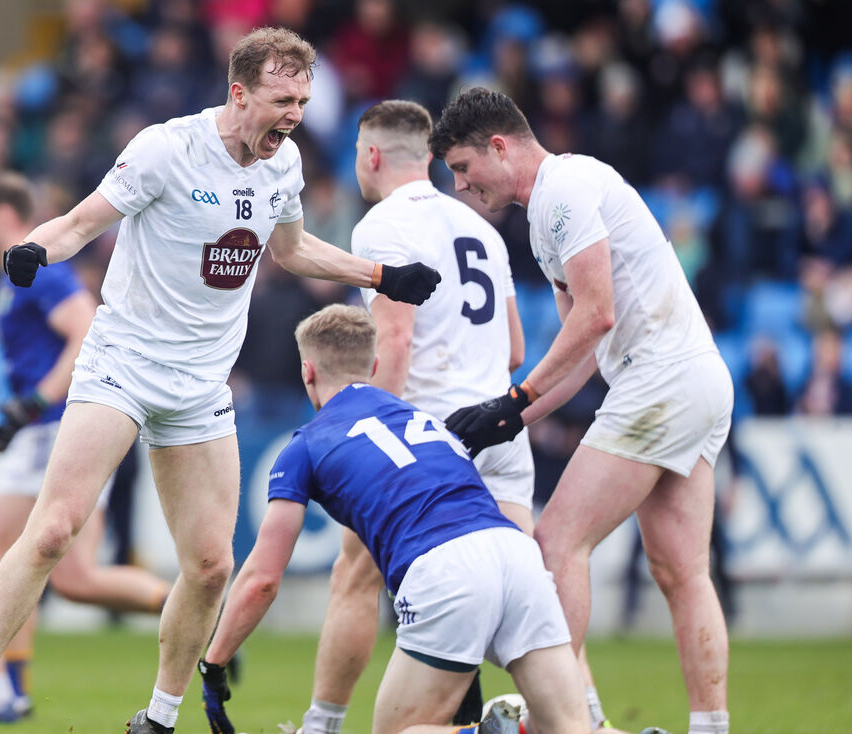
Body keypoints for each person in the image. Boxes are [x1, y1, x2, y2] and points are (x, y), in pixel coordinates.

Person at [0, 27, 440, 734]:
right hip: (123, 363)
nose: (295, 115)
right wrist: (33, 249)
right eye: (282, 100)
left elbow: (292, 249)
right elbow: (81, 222)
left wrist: (381, 276)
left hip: (201, 386)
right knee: (51, 531)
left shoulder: (284, 164)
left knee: (210, 567)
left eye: (302, 101)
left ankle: (160, 717)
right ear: (239, 93)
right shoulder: (165, 149)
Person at [435, 87, 733, 734]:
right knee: (682, 572)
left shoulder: (562, 193)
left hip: (659, 381)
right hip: (697, 379)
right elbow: (584, 356)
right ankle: (706, 727)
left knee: (558, 543)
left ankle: (567, 721)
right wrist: (508, 419)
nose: (460, 185)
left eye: (462, 167)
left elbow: (596, 316)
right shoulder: (554, 204)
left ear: (499, 146)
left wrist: (514, 399)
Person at [198, 303, 630, 734]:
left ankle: (486, 733)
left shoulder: (306, 445)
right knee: (568, 728)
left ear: (307, 372)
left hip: (444, 569)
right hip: (517, 553)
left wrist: (213, 665)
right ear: (375, 366)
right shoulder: (426, 420)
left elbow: (262, 580)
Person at [293, 99, 539, 734]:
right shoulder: (480, 227)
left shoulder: (383, 225)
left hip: (431, 436)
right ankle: (577, 719)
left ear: (371, 155)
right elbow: (515, 349)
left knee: (355, 577)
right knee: (520, 604)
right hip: (501, 429)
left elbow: (395, 339)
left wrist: (372, 428)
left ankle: (321, 726)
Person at [0, 172, 173, 718]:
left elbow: (84, 329)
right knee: (75, 578)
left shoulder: (42, 270)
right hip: (48, 426)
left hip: (56, 426)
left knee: (6, 557)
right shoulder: (15, 276)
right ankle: (187, 607)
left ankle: (9, 690)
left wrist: (34, 403)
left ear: (3, 214)